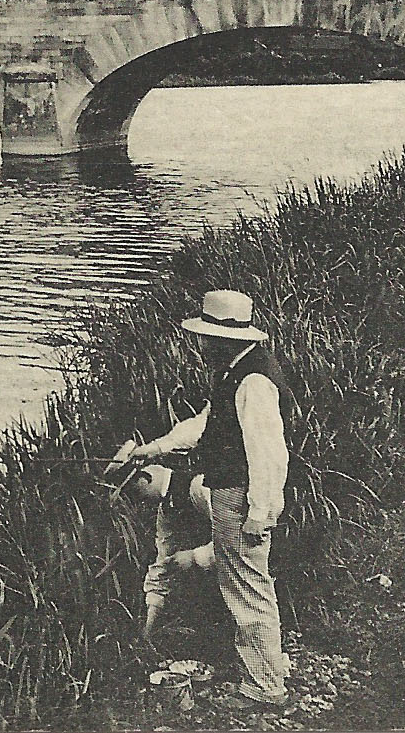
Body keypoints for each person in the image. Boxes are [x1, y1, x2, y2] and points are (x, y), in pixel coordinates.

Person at [112, 289, 291, 711]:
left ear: (224, 338)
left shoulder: (254, 381)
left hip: (241, 496)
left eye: (206, 336)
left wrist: (260, 514)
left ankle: (265, 689)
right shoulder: (235, 371)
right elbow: (206, 423)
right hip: (229, 491)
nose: (201, 344)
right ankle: (265, 673)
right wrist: (149, 450)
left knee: (248, 590)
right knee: (245, 586)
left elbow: (270, 453)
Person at [117, 459, 213, 639]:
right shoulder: (167, 510)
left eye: (136, 493)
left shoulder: (202, 487)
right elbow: (163, 563)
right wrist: (148, 631)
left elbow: (237, 541)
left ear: (145, 479)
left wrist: (194, 557)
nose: (140, 504)